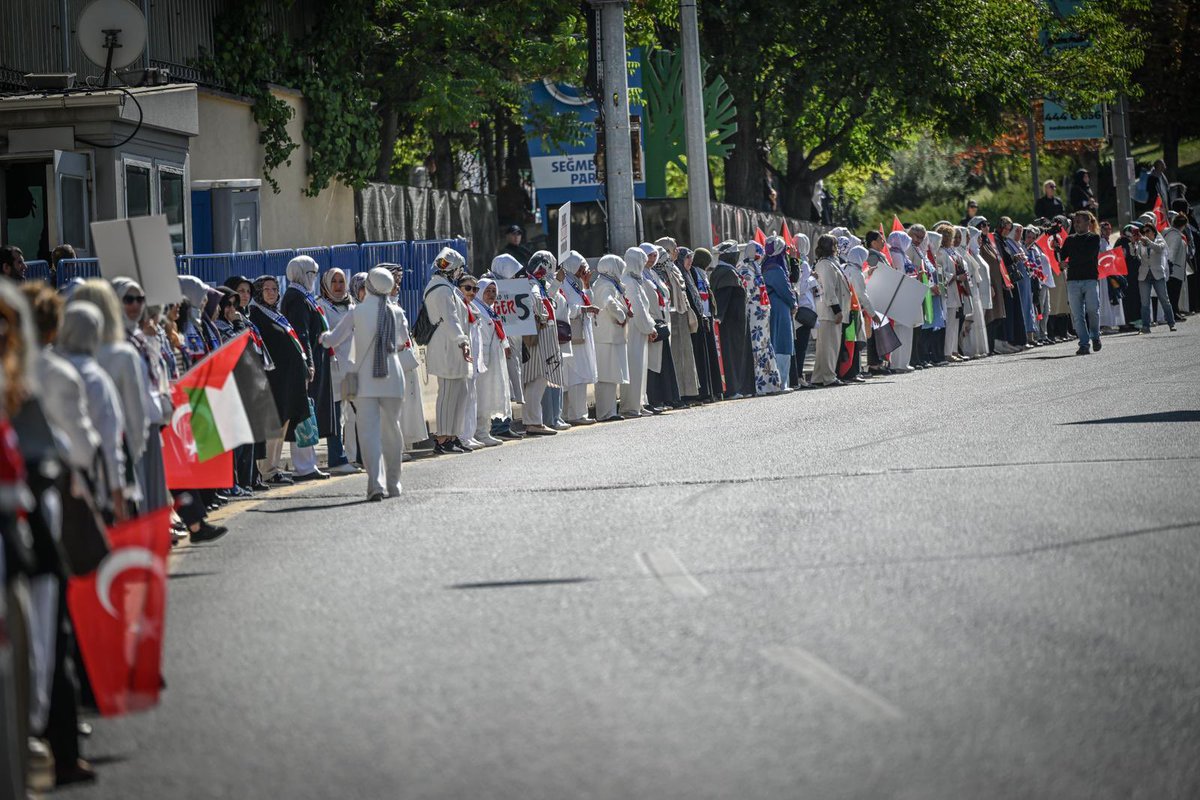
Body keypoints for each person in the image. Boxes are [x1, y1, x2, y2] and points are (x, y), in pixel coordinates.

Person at [320, 267, 409, 501]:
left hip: (366, 381)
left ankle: (375, 484)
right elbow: (402, 341)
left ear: (368, 286)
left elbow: (332, 339)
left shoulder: (356, 312)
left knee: (368, 433)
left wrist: (322, 337)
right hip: (393, 379)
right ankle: (394, 483)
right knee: (392, 430)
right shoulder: (397, 312)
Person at [248, 276, 305, 483]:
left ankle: (273, 467)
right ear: (258, 292)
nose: (271, 292)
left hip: (286, 380)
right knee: (272, 425)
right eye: (266, 289)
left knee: (282, 424)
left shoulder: (275, 313)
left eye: (274, 288)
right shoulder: (256, 315)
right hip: (272, 380)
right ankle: (266, 470)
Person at [281, 256, 332, 481]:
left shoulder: (303, 296)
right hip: (303, 364)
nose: (313, 278)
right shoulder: (296, 298)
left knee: (308, 413)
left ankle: (308, 462)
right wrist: (308, 363)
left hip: (310, 362)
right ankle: (304, 465)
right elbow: (301, 334)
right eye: (310, 273)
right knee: (303, 414)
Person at [423, 247, 474, 452]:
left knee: (459, 392)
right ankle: (443, 438)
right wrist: (462, 340)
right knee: (448, 393)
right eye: (458, 269)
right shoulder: (441, 289)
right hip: (448, 347)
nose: (459, 273)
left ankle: (452, 435)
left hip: (453, 346)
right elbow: (450, 319)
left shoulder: (446, 287)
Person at [317, 268, 360, 474]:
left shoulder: (352, 305)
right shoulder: (321, 306)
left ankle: (353, 456)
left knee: (353, 415)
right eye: (333, 281)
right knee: (337, 416)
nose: (338, 285)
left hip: (352, 367)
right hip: (334, 368)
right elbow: (326, 336)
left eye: (341, 281)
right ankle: (337, 458)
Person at [522, 250, 565, 433]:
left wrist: (557, 282)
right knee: (536, 380)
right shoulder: (532, 285)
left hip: (543, 339)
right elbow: (536, 302)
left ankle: (535, 420)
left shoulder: (537, 284)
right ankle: (533, 422)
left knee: (539, 380)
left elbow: (548, 297)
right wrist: (541, 316)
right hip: (539, 340)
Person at [484, 254, 526, 441]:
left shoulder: (505, 288)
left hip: (507, 343)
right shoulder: (486, 286)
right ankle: (498, 426)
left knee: (506, 385)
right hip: (495, 346)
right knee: (498, 385)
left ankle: (504, 424)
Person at [656, 238, 700, 404]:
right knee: (675, 355)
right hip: (670, 316)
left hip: (680, 314)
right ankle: (677, 393)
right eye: (673, 249)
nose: (676, 251)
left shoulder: (673, 268)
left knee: (686, 355)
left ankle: (688, 391)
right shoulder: (659, 270)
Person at [736, 242, 783, 394]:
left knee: (765, 348)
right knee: (757, 350)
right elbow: (747, 294)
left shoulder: (756, 268)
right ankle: (760, 385)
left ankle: (771, 384)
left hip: (762, 317)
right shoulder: (744, 270)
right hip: (754, 317)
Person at [590, 253, 631, 422]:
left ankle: (610, 411)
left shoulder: (608, 283)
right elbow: (609, 303)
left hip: (610, 337)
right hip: (606, 337)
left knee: (611, 376)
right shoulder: (605, 285)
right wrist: (621, 316)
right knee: (606, 377)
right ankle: (606, 412)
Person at [709, 242, 753, 398]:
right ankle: (733, 389)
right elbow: (723, 298)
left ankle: (742, 387)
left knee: (738, 355)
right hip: (731, 324)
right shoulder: (727, 273)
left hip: (737, 323)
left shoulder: (723, 271)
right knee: (732, 356)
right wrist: (719, 317)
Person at [560, 251, 599, 424]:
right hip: (573, 334)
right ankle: (576, 414)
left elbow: (587, 301)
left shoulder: (574, 283)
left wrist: (586, 284)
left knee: (581, 373)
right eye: (581, 267)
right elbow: (565, 307)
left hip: (581, 332)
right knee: (576, 375)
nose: (584, 270)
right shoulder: (563, 283)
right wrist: (582, 309)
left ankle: (576, 413)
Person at [618, 246, 657, 417]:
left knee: (640, 367)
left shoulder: (634, 280)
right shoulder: (630, 282)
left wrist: (648, 326)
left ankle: (639, 403)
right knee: (634, 367)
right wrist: (651, 327)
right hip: (634, 331)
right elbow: (639, 310)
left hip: (639, 330)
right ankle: (630, 406)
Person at [1058, 210, 1105, 353]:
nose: (1076, 224)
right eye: (1075, 221)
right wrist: (1058, 254)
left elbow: (1086, 256)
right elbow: (1062, 256)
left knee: (1092, 311)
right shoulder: (1069, 239)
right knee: (1077, 315)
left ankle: (1095, 336)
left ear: (1087, 223)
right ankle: (1084, 344)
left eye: (1079, 221)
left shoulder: (1094, 238)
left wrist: (1069, 262)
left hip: (1090, 279)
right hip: (1073, 281)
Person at [471, 278, 510, 444]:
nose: (492, 295)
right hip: (484, 361)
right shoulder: (478, 309)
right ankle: (479, 433)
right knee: (482, 397)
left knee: (488, 395)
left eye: (494, 291)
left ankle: (484, 431)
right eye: (488, 291)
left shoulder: (490, 310)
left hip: (493, 359)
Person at [686, 248, 724, 400]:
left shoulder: (702, 274)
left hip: (708, 318)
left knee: (711, 357)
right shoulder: (694, 273)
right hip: (701, 318)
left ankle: (714, 390)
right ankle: (706, 392)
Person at [811, 234, 848, 387]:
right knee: (829, 346)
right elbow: (828, 289)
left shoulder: (831, 263)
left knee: (825, 346)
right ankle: (829, 377)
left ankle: (819, 377)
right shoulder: (825, 264)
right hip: (828, 311)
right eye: (835, 245)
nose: (837, 248)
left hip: (830, 311)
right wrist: (837, 310)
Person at [762, 236, 797, 387]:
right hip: (779, 308)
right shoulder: (775, 269)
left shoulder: (765, 265)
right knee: (782, 342)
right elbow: (785, 289)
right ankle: (781, 382)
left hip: (773, 306)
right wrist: (793, 303)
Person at [1133, 219, 1176, 334]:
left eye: (1148, 231)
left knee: (1164, 299)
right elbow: (1136, 256)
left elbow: (1160, 249)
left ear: (1154, 231)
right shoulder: (1141, 243)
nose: (1146, 233)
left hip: (1157, 273)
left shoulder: (1159, 240)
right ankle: (1146, 327)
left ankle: (1171, 323)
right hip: (1144, 275)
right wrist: (1134, 243)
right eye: (1144, 231)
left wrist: (1148, 242)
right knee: (1145, 303)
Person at [1163, 214, 1191, 320]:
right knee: (1174, 293)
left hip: (1169, 267)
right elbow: (1173, 252)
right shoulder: (1176, 236)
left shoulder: (1166, 232)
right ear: (1183, 225)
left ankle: (1175, 312)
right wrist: (1170, 266)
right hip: (1174, 268)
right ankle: (1173, 313)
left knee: (1171, 293)